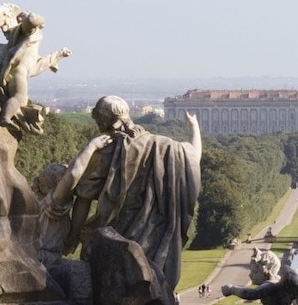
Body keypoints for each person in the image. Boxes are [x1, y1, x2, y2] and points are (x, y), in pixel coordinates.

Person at [65, 96, 202, 289]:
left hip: (114, 239)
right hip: (156, 238)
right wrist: (194, 128)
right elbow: (194, 157)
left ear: (105, 120)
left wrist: (72, 236)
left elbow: (83, 199)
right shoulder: (164, 147)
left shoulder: (105, 152)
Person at [32, 134, 114, 266]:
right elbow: (73, 173)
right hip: (45, 261)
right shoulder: (52, 203)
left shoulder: (39, 200)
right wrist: (91, 146)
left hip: (42, 256)